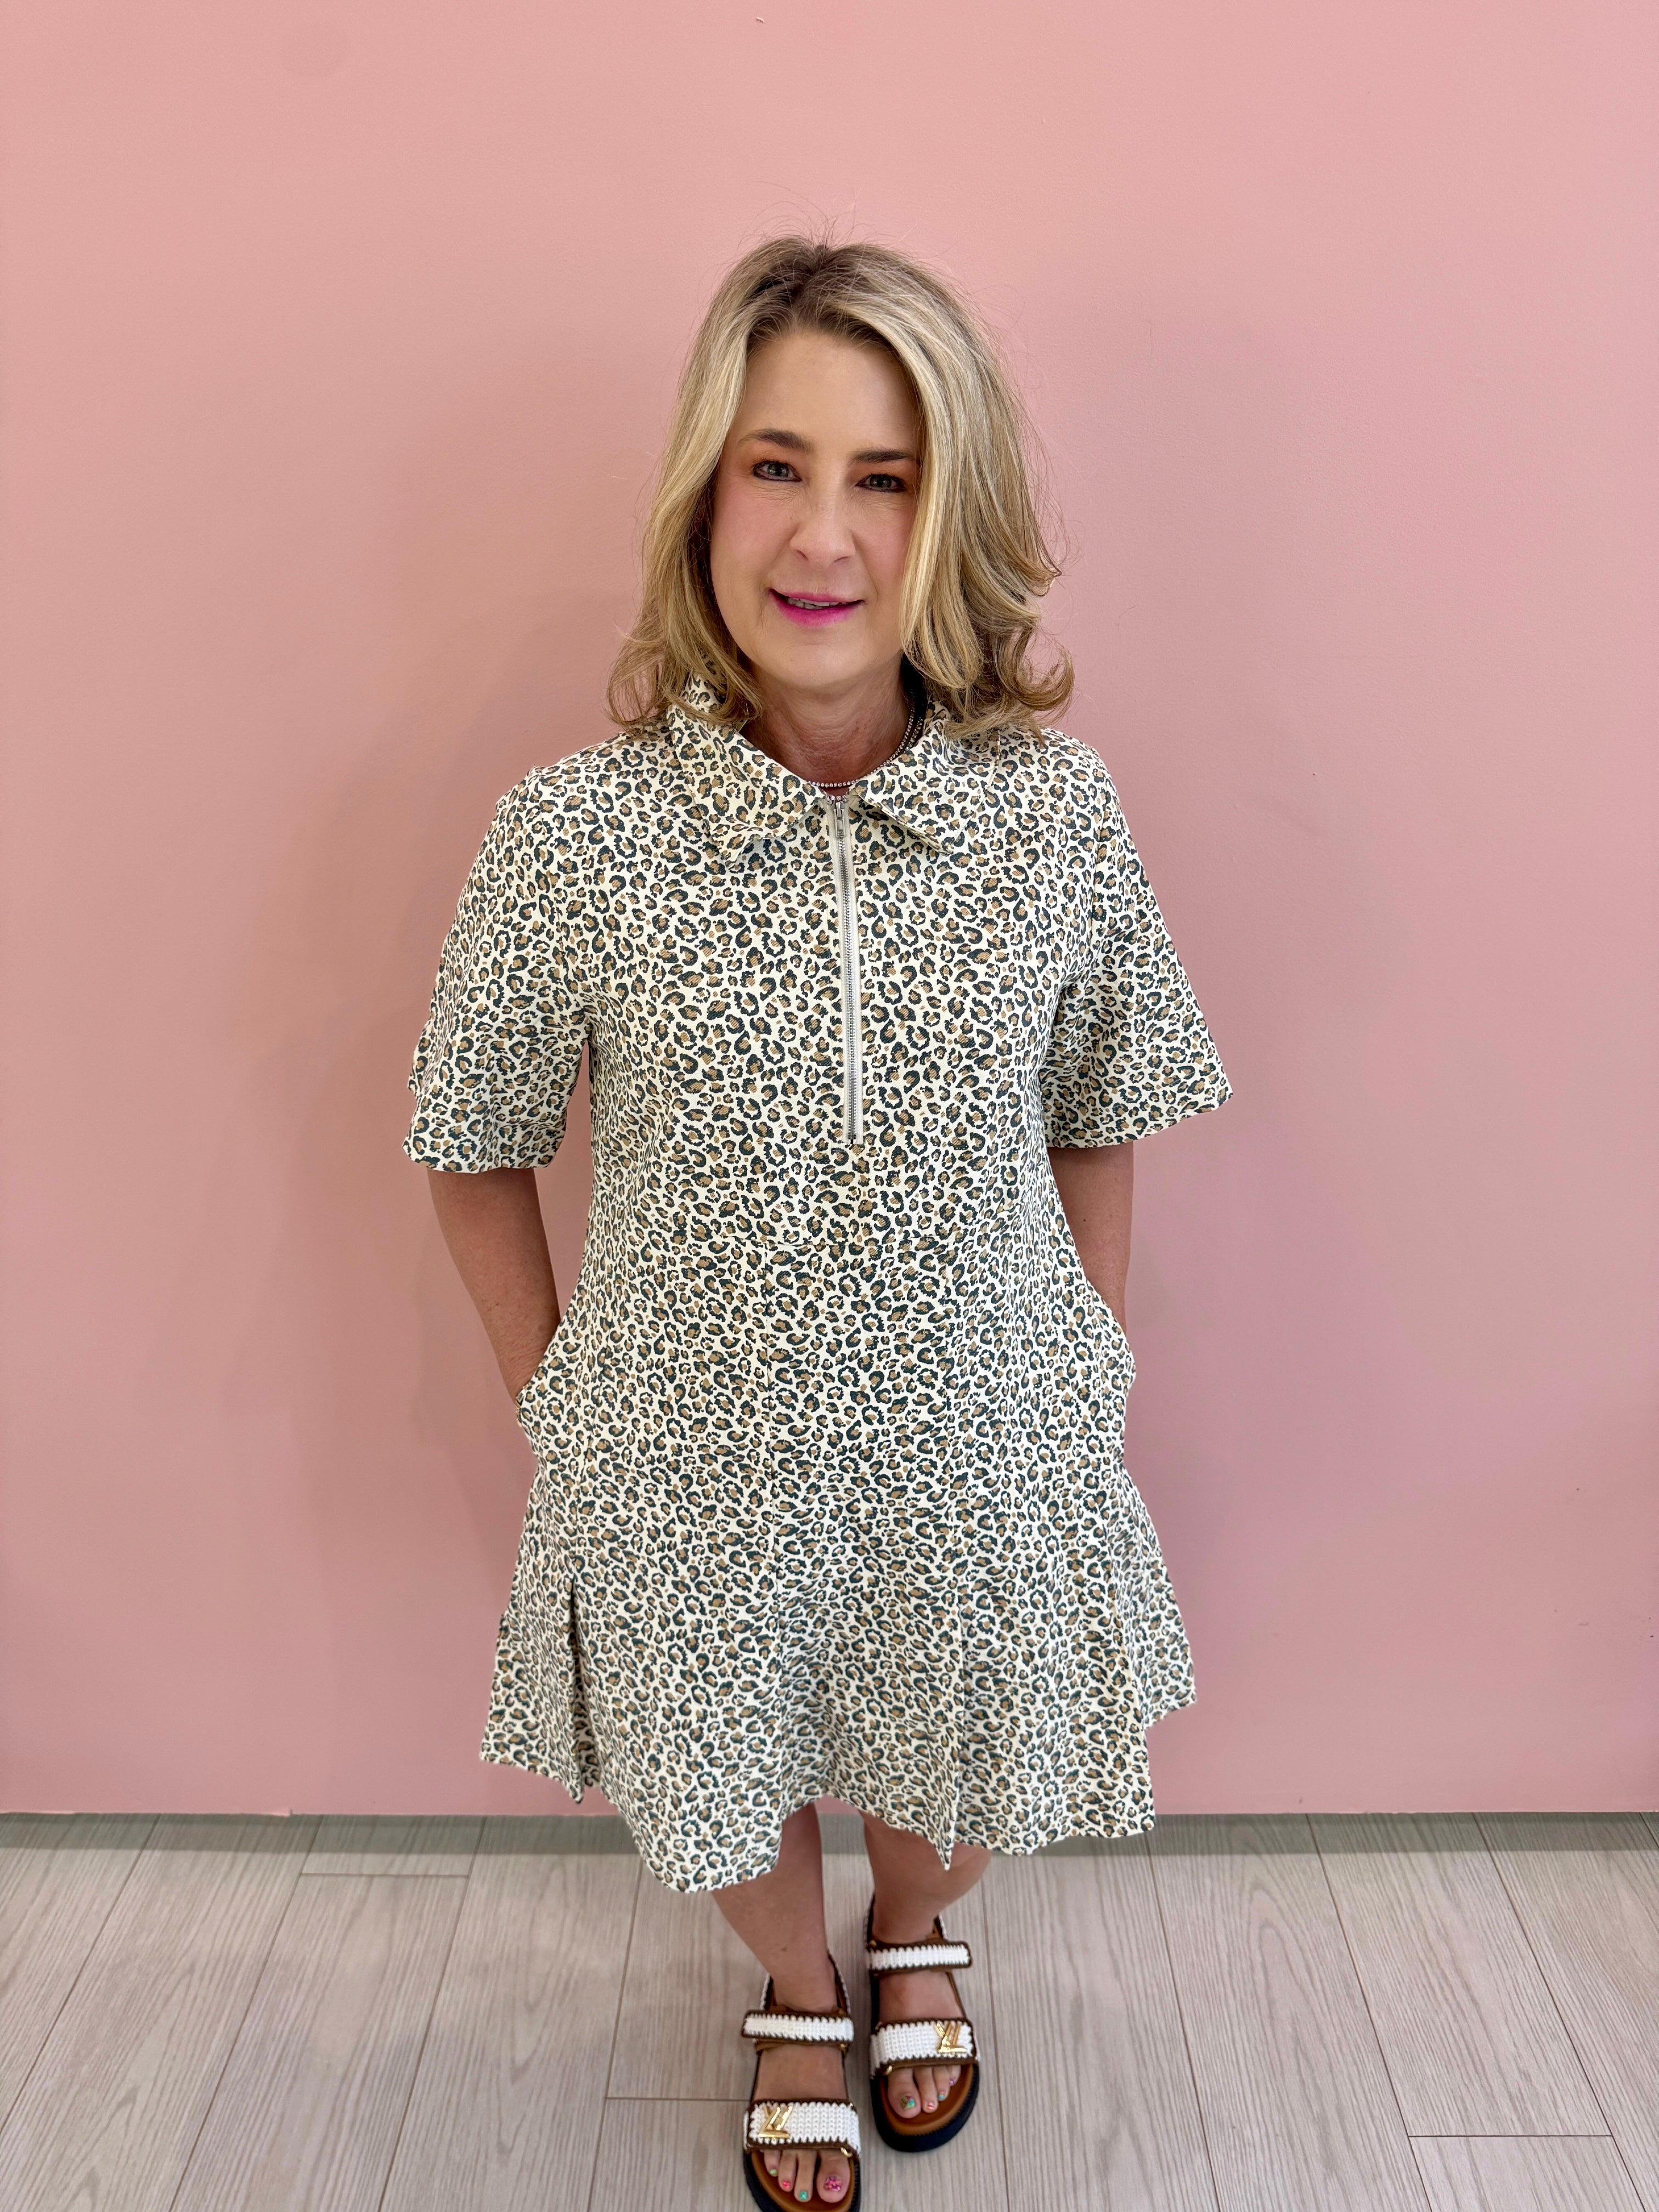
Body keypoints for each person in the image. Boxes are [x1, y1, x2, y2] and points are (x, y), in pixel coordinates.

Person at [406, 235, 1231, 2211]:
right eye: (776, 466)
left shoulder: (1054, 817)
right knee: (724, 1767)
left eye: (887, 478)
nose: (824, 536)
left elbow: (1100, 1112)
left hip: (980, 1423)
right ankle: (796, 1986)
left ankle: (917, 1931)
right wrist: (564, 1407)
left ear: (955, 518)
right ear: (706, 494)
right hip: (692, 1451)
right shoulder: (577, 835)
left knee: (967, 1747)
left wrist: (1088, 1365)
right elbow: (471, 1139)